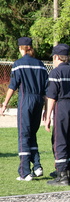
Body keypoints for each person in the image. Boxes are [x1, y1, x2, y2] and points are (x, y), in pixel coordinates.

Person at [0, 37, 48, 181]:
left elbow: (13, 86)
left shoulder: (18, 64)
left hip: (26, 99)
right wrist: (46, 109)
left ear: (21, 48)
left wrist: (4, 104)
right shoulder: (41, 65)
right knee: (32, 134)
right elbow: (47, 89)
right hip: (39, 100)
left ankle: (25, 172)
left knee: (23, 135)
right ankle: (37, 166)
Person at [44, 44, 70, 186]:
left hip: (63, 105)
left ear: (56, 57)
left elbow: (52, 96)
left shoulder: (55, 73)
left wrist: (48, 116)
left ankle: (62, 176)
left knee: (60, 140)